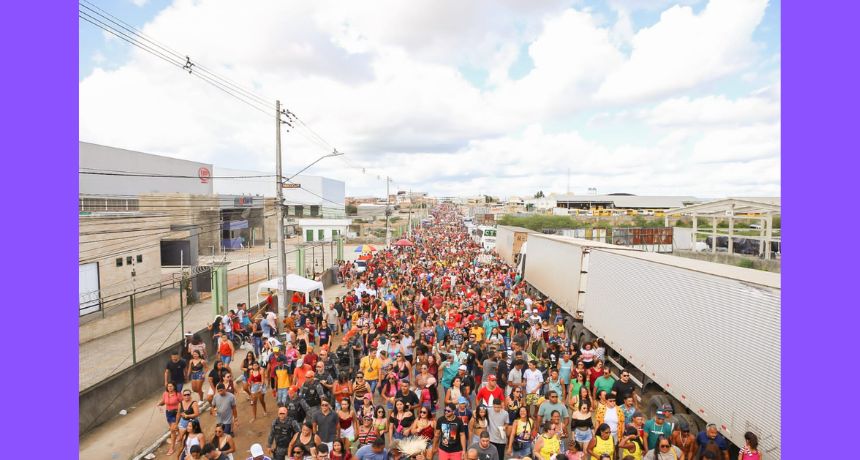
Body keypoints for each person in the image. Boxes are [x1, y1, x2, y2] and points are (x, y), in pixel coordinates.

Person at [158, 382, 182, 455]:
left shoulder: (178, 394)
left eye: (171, 386)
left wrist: (180, 411)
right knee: (175, 428)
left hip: (176, 413)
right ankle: (182, 437)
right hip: (168, 413)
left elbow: (183, 402)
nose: (170, 388)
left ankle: (172, 448)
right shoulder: (165, 393)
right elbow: (164, 401)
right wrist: (159, 404)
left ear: (174, 387)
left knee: (172, 430)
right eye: (168, 386)